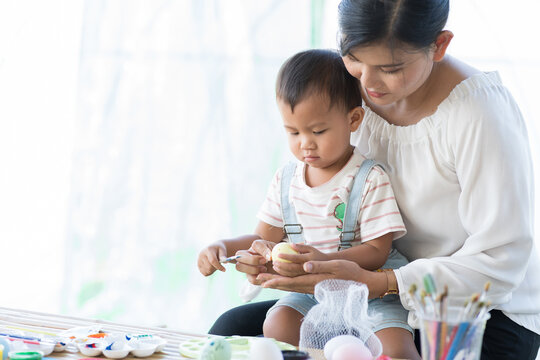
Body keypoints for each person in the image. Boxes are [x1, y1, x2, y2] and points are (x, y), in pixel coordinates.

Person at [208, 0, 540, 359]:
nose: (367, 83)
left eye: (390, 67)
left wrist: (380, 283)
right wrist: (273, 257)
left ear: (440, 45)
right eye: (353, 57)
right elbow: (322, 199)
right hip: (362, 284)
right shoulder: (345, 89)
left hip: (476, 307)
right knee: (231, 333)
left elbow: (501, 260)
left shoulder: (479, 114)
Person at [198, 49, 420, 358]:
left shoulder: (369, 177)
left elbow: (377, 251)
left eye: (318, 131)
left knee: (398, 349)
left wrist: (323, 259)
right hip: (310, 291)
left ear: (353, 119)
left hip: (369, 291)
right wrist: (225, 247)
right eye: (293, 132)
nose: (306, 143)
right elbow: (263, 239)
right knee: (277, 323)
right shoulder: (286, 180)